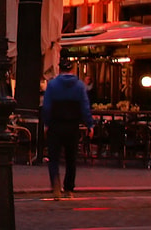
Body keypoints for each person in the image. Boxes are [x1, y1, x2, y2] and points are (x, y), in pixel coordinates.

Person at [41, 59, 94, 199]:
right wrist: (90, 124)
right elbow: (85, 106)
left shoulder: (52, 85)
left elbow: (47, 107)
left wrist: (46, 123)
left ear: (60, 69)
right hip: (72, 126)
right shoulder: (79, 86)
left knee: (53, 158)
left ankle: (56, 186)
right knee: (71, 159)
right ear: (72, 70)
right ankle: (69, 189)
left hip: (55, 125)